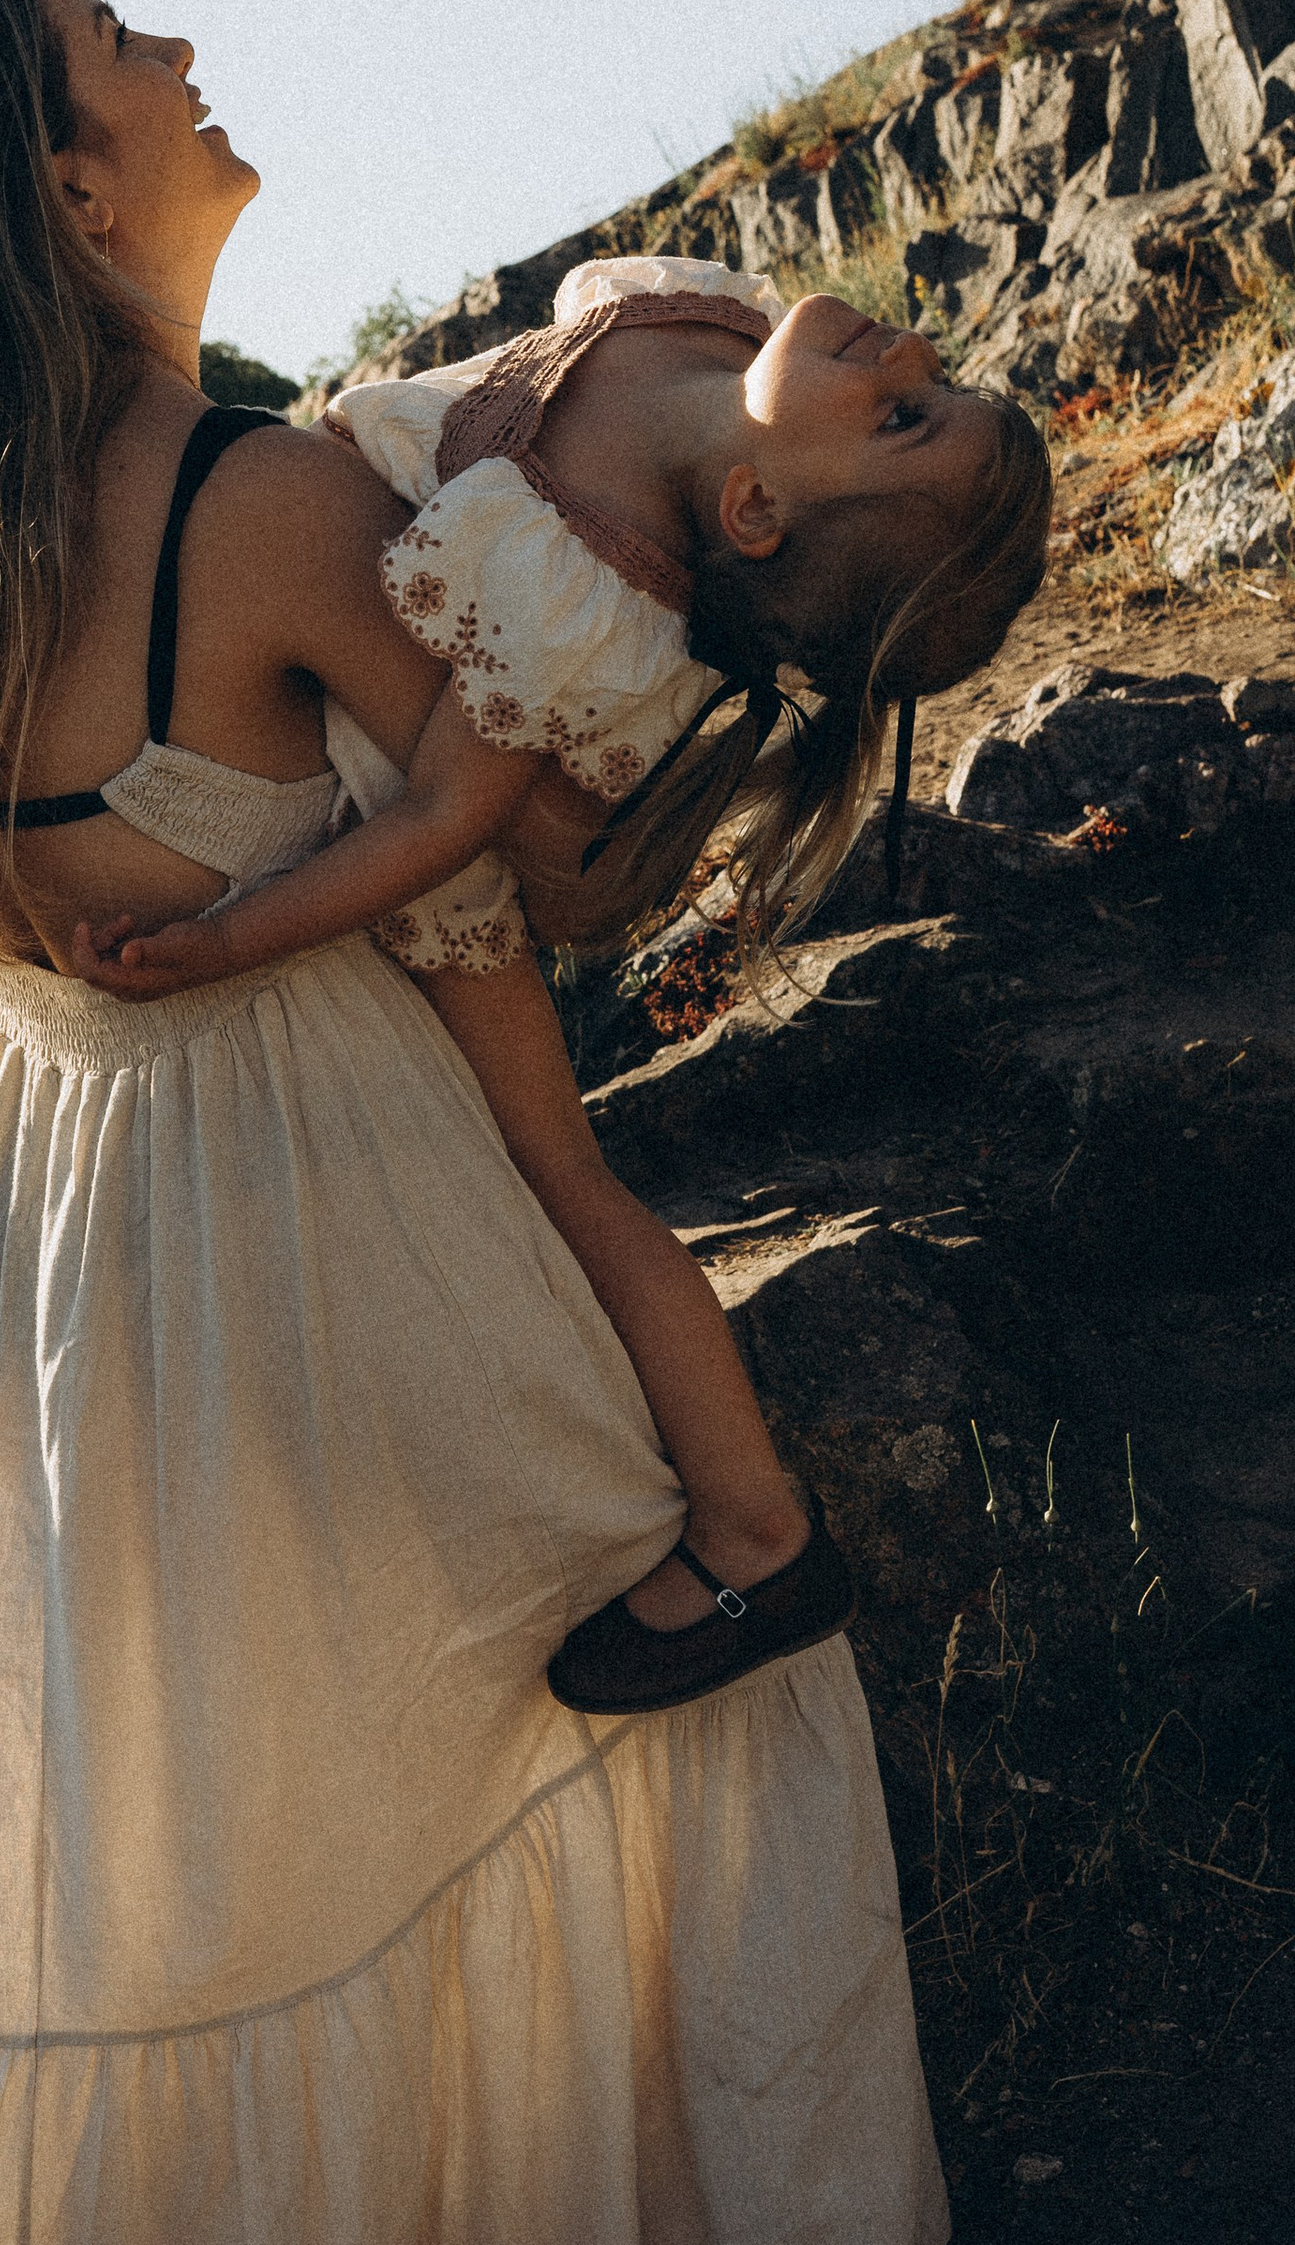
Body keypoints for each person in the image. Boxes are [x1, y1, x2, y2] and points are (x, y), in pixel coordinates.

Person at [0, 0, 1003, 2245]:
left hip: (51, 1241)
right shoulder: (251, 495)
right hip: (312, 1177)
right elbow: (520, 849)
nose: (184, 49)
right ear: (66, 175)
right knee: (604, 1696)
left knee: (177, 1863)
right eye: (127, 49)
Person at [66, 249, 1053, 1713]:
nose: (910, 358)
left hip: (421, 850)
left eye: (905, 420)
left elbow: (443, 820)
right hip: (313, 623)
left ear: (757, 513)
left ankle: (756, 1528)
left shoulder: (580, 583)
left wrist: (228, 941)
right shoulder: (707, 322)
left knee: (557, 1170)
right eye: (940, 387)